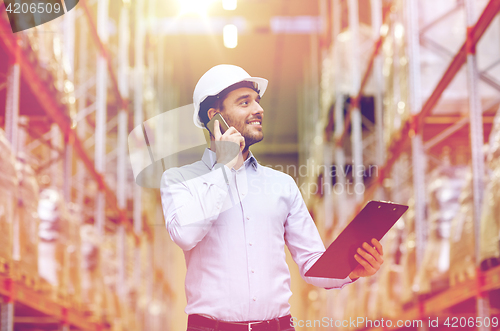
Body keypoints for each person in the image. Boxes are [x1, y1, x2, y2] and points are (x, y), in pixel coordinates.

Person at [160, 64, 384, 331]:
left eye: (257, 101)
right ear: (214, 118)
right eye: (245, 102)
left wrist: (350, 269)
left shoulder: (282, 185)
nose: (258, 109)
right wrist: (224, 167)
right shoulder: (180, 180)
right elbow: (185, 235)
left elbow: (312, 262)